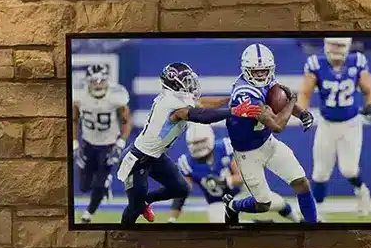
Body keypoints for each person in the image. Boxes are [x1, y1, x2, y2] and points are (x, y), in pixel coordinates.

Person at [116, 62, 262, 226]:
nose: (190, 84)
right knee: (133, 208)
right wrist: (234, 111)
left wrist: (231, 100)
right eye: (185, 81)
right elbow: (201, 116)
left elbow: (202, 103)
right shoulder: (171, 103)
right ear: (173, 84)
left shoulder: (177, 97)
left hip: (156, 157)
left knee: (181, 188)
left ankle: (146, 201)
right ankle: (123, 236)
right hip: (138, 159)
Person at [222, 43, 318, 226]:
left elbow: (280, 101)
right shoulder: (245, 94)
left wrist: (302, 113)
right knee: (263, 204)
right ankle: (233, 205)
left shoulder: (270, 81)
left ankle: (313, 227)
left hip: (268, 143)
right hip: (247, 154)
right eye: (256, 71)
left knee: (302, 183)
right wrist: (293, 102)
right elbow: (277, 125)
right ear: (246, 70)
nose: (261, 75)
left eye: (264, 70)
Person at [297, 37, 371, 216]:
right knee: (320, 173)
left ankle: (362, 191)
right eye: (333, 44)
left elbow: (369, 90)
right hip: (327, 124)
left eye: (340, 45)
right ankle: (316, 212)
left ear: (348, 46)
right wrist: (302, 112)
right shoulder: (315, 63)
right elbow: (305, 92)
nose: (336, 49)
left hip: (351, 124)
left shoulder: (357, 61)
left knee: (349, 169)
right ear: (326, 45)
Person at [170, 124, 298, 223]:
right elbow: (182, 192)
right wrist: (172, 219)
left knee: (275, 202)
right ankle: (259, 225)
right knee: (217, 220)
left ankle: (298, 220)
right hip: (218, 202)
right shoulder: (186, 163)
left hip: (242, 193)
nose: (198, 146)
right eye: (195, 143)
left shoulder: (224, 148)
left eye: (201, 141)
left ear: (210, 137)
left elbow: (241, 177)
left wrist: (225, 181)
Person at [73, 64, 132, 223]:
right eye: (94, 80)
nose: (98, 83)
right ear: (88, 81)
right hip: (88, 143)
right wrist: (75, 144)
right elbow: (74, 120)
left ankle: (88, 214)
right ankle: (104, 185)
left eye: (101, 80)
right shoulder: (79, 95)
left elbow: (126, 121)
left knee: (99, 182)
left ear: (107, 80)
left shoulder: (116, 95)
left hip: (108, 144)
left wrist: (120, 143)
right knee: (84, 186)